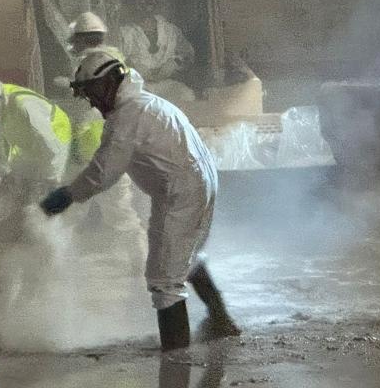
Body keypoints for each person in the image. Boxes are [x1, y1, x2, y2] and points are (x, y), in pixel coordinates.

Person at [40, 51, 240, 351]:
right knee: (183, 256)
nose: (92, 102)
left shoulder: (127, 117)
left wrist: (68, 195)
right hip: (194, 184)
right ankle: (221, 320)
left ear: (109, 83)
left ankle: (176, 357)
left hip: (181, 192)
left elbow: (103, 172)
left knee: (164, 280)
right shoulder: (146, 102)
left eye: (93, 93)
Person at [66, 13, 146, 272]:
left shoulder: (94, 67)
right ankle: (140, 262)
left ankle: (57, 262)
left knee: (104, 209)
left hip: (99, 150)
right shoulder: (116, 64)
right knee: (116, 211)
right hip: (108, 149)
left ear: (82, 40)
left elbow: (91, 112)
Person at [0, 78, 71, 242]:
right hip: (24, 143)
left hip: (54, 137)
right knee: (13, 187)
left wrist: (52, 177)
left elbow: (49, 144)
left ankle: (46, 239)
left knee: (41, 191)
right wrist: (5, 172)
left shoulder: (25, 106)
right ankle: (6, 236)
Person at [119, 0, 197, 102]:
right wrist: (132, 67)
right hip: (138, 85)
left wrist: (174, 63)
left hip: (165, 84)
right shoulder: (124, 33)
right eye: (140, 2)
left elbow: (188, 55)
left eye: (149, 2)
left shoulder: (170, 30)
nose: (144, 6)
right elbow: (114, 64)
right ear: (133, 5)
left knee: (186, 95)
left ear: (156, 4)